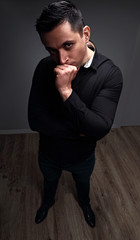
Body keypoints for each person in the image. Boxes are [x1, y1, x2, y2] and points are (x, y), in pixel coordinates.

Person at [28, 0, 123, 228]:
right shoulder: (43, 67)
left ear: (86, 34)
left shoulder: (110, 74)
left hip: (82, 156)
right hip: (48, 152)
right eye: (52, 50)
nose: (61, 59)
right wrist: (81, 129)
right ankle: (47, 203)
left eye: (68, 45)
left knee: (83, 184)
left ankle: (86, 205)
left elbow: (99, 128)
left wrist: (65, 91)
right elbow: (35, 120)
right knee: (49, 182)